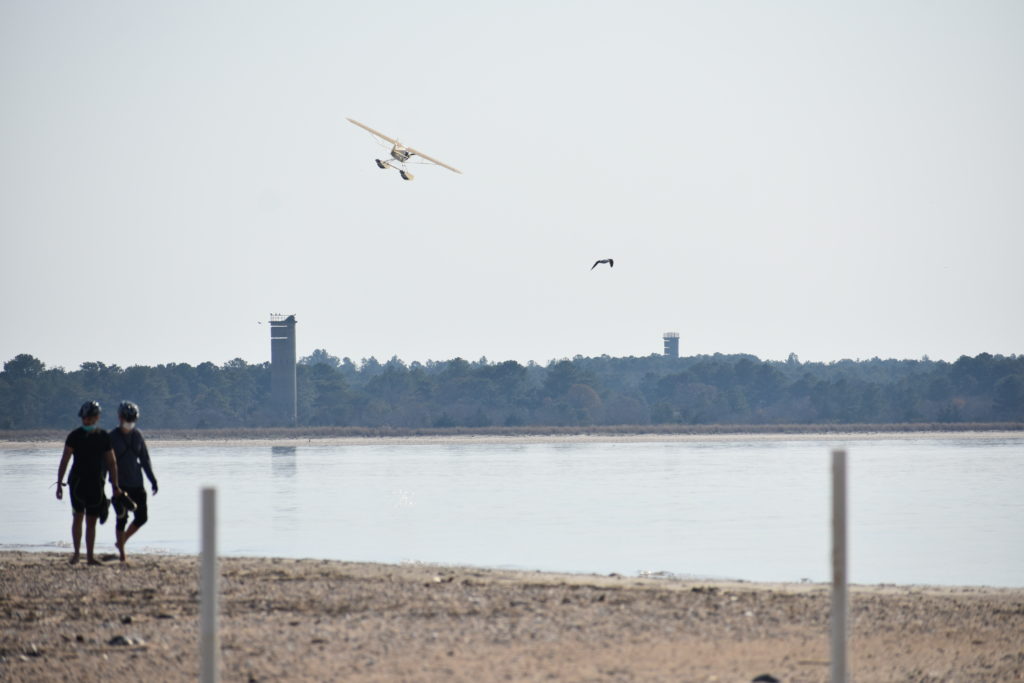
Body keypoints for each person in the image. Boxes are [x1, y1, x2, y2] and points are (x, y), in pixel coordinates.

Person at [56, 400, 120, 565]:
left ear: (97, 417)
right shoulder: (74, 435)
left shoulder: (103, 436)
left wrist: (115, 486)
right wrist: (59, 484)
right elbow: (65, 460)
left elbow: (112, 462)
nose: (87, 420)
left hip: (96, 483)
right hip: (77, 483)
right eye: (85, 418)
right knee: (78, 517)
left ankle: (90, 557)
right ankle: (77, 554)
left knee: (91, 520)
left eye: (90, 417)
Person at [108, 400, 158, 563]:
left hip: (137, 483)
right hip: (120, 485)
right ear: (119, 417)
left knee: (142, 517)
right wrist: (105, 484)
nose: (129, 422)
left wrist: (153, 480)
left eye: (132, 419)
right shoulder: (112, 437)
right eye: (126, 418)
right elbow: (105, 463)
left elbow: (145, 459)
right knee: (121, 518)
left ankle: (120, 542)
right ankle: (122, 555)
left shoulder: (137, 435)